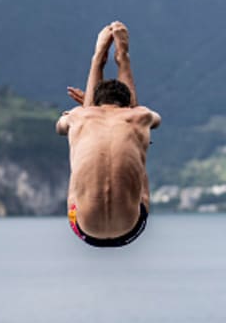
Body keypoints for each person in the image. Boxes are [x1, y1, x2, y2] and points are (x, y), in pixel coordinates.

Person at [57, 21, 161, 247]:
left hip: (83, 229)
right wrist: (123, 56)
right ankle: (120, 56)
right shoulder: (139, 116)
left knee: (79, 141)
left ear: (95, 104)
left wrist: (97, 59)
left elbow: (61, 127)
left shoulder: (79, 116)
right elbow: (148, 118)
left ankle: (99, 58)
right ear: (127, 105)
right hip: (131, 228)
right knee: (141, 141)